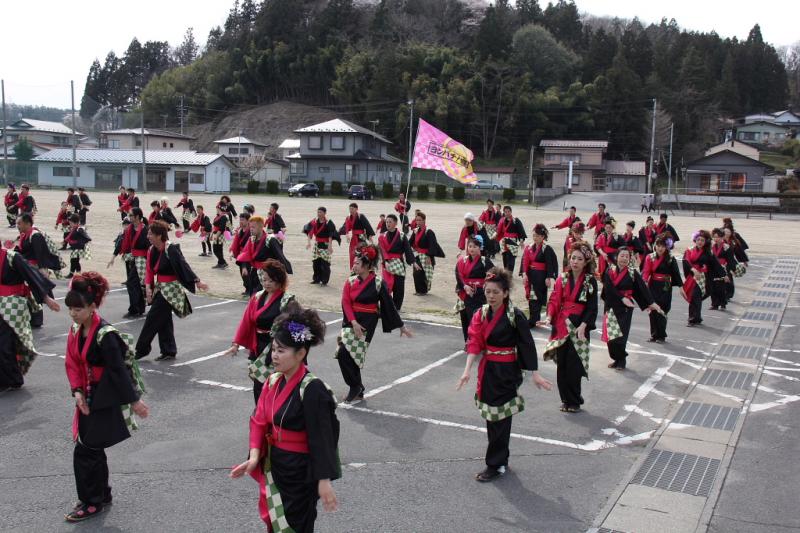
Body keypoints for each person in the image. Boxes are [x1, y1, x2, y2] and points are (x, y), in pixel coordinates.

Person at [230, 306, 339, 533]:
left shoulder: (313, 389)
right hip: (276, 464)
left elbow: (322, 438)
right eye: (273, 349)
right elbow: (259, 421)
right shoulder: (273, 381)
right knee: (274, 523)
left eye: (281, 351)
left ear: (301, 354)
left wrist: (323, 479)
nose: (274, 355)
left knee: (294, 525)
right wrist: (254, 457)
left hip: (300, 471)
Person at [63, 272, 148, 522]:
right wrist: (77, 391)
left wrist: (134, 400)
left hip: (105, 396)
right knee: (93, 447)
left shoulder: (105, 334)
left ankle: (92, 502)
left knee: (86, 450)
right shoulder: (76, 329)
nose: (73, 314)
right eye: (70, 309)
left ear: (92, 307)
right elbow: (72, 362)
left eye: (78, 309)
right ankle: (101, 493)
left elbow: (118, 371)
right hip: (88, 394)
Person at [457, 267, 552, 482]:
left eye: (496, 292)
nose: (491, 296)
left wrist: (535, 373)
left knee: (501, 418)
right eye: (487, 291)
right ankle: (501, 458)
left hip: (507, 371)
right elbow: (474, 342)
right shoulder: (481, 313)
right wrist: (466, 370)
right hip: (488, 370)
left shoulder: (514, 315)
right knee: (492, 416)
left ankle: (495, 464)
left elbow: (526, 344)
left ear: (506, 293)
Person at [335, 244, 412, 402]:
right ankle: (357, 387)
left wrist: (401, 326)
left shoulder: (378, 283)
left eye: (357, 263)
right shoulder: (350, 281)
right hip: (351, 320)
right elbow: (346, 302)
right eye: (354, 263)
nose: (354, 266)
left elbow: (389, 305)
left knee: (347, 353)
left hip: (367, 322)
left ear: (367, 265)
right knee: (345, 353)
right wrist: (353, 322)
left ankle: (355, 387)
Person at [135, 221, 208, 361]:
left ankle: (142, 349)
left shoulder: (171, 249)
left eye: (150, 234)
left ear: (159, 235)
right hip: (160, 288)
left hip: (172, 289)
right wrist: (148, 288)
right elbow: (149, 271)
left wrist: (197, 281)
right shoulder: (151, 250)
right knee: (164, 319)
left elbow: (183, 265)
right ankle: (169, 350)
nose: (148, 236)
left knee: (152, 318)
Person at [224, 259, 296, 403]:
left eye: (271, 280)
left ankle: (274, 412)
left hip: (276, 347)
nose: (266, 283)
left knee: (274, 383)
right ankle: (261, 412)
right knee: (258, 384)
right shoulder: (257, 297)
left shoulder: (286, 300)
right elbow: (246, 321)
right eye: (264, 280)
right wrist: (236, 344)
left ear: (279, 280)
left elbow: (294, 326)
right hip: (258, 345)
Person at [541, 242, 598, 413]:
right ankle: (565, 399)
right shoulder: (563, 278)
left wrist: (584, 325)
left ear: (586, 262)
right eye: (573, 258)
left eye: (579, 259)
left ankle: (574, 401)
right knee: (562, 365)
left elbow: (592, 307)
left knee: (574, 365)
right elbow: (554, 300)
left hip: (579, 327)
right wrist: (549, 316)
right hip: (562, 326)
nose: (575, 262)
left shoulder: (589, 281)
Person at [0, 246, 59, 392]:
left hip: (12, 305)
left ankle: (11, 379)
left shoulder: (12, 257)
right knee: (5, 344)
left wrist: (46, 298)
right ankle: (10, 377)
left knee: (4, 344)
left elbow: (31, 276)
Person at [601, 248, 659, 370]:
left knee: (621, 336)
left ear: (629, 259)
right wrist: (622, 298)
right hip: (611, 306)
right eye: (622, 256)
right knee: (611, 338)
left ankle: (621, 361)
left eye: (627, 256)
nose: (624, 258)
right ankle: (617, 358)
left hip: (625, 308)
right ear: (616, 257)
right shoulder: (609, 270)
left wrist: (651, 302)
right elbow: (609, 289)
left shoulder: (632, 272)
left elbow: (642, 288)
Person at [15, 213, 63, 327]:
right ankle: (31, 318)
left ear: (27, 223)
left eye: (19, 223)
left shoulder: (35, 236)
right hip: (28, 268)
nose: (18, 226)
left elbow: (41, 254)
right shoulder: (25, 235)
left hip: (35, 269)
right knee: (29, 294)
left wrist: (42, 271)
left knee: (34, 293)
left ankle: (36, 320)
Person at [642, 234, 684, 343]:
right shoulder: (650, 257)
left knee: (662, 309)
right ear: (655, 246)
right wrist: (644, 282)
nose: (660, 248)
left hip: (665, 285)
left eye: (663, 246)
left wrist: (681, 287)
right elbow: (646, 271)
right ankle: (654, 335)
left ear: (666, 247)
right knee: (653, 309)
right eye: (658, 245)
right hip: (653, 285)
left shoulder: (670, 258)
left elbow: (676, 274)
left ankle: (661, 335)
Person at [237, 216, 293, 295]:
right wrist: (244, 267)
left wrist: (284, 269)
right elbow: (246, 254)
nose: (251, 229)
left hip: (267, 273)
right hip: (254, 272)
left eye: (253, 227)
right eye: (250, 227)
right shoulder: (251, 239)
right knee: (253, 295)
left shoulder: (270, 239)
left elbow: (279, 254)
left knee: (262, 296)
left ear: (261, 227)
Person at [109, 208, 149, 318]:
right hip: (132, 258)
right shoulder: (129, 230)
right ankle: (139, 308)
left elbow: (150, 247)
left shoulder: (145, 230)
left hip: (142, 260)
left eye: (131, 215)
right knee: (136, 284)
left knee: (131, 283)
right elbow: (121, 243)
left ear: (137, 217)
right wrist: (113, 256)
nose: (129, 217)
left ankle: (134, 309)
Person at [681, 230, 725, 327]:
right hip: (692, 276)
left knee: (697, 297)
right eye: (698, 240)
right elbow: (686, 261)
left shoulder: (708, 252)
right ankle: (694, 318)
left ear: (706, 242)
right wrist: (692, 270)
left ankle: (695, 318)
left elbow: (716, 264)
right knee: (695, 297)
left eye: (702, 240)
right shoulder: (689, 250)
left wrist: (724, 275)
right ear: (695, 240)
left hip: (704, 278)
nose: (700, 242)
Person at [455, 236, 494, 341]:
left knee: (476, 319)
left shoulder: (485, 261)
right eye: (470, 246)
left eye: (475, 246)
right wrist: (465, 286)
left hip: (479, 294)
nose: (471, 249)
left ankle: (477, 342)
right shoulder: (462, 260)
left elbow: (493, 274)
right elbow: (458, 274)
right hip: (464, 293)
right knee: (465, 319)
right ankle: (467, 342)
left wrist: (485, 285)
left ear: (480, 248)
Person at [520, 224, 559, 327]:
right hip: (531, 275)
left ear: (543, 237)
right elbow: (525, 261)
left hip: (540, 277)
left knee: (536, 298)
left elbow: (550, 263)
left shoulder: (546, 248)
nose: (535, 238)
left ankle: (533, 320)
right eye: (534, 235)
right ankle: (534, 319)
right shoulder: (529, 247)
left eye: (537, 236)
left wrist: (549, 277)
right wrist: (524, 273)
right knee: (531, 297)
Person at [378, 214, 414, 310]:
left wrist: (413, 262)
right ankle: (386, 307)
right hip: (387, 264)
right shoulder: (382, 236)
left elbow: (408, 249)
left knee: (399, 287)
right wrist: (385, 261)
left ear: (396, 223)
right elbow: (381, 250)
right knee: (386, 286)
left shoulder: (402, 235)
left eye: (390, 222)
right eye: (387, 222)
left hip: (399, 264)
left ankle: (396, 307)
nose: (388, 224)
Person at [410, 211, 445, 295]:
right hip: (418, 255)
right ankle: (418, 290)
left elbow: (432, 245)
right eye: (417, 220)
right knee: (416, 273)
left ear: (424, 220)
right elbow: (410, 242)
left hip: (427, 255)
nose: (418, 222)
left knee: (423, 274)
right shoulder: (415, 231)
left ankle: (423, 291)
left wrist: (429, 256)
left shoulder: (429, 232)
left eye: (420, 220)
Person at [304, 207, 340, 286]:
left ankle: (324, 280)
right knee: (315, 262)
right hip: (317, 244)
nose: (319, 214)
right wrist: (309, 243)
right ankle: (316, 279)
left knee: (325, 263)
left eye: (320, 212)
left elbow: (331, 235)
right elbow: (309, 232)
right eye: (318, 212)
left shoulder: (328, 222)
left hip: (325, 244)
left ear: (324, 213)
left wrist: (330, 246)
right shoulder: (314, 221)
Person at [340, 203, 375, 269]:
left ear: (356, 209)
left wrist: (370, 236)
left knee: (363, 252)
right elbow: (346, 227)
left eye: (352, 209)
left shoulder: (360, 216)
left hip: (361, 237)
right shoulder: (348, 218)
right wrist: (345, 233)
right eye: (350, 209)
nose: (351, 210)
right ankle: (354, 268)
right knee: (352, 253)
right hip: (354, 238)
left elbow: (367, 225)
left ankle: (364, 268)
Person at [710, 228, 737, 310]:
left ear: (722, 237)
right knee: (713, 287)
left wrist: (732, 270)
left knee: (722, 287)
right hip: (713, 268)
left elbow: (731, 260)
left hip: (724, 268)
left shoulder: (726, 247)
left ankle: (723, 304)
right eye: (714, 237)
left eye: (718, 237)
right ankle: (714, 304)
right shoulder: (711, 246)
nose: (716, 239)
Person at [495, 206, 526, 272]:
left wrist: (521, 241)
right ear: (504, 212)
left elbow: (521, 231)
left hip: (512, 241)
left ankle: (510, 272)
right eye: (505, 212)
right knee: (505, 256)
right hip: (504, 241)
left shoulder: (515, 220)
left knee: (511, 257)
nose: (507, 213)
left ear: (511, 212)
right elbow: (498, 230)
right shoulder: (502, 220)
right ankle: (506, 272)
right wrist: (495, 236)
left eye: (508, 211)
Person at [230, 213, 253, 295]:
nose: (241, 221)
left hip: (248, 254)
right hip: (241, 254)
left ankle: (250, 289)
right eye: (240, 220)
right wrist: (233, 252)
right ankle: (247, 288)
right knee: (242, 273)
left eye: (243, 220)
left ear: (248, 221)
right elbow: (236, 242)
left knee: (246, 272)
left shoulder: (251, 231)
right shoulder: (240, 230)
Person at [64, 214, 92, 278]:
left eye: (71, 223)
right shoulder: (75, 228)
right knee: (74, 260)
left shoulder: (79, 229)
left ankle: (75, 274)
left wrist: (87, 240)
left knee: (75, 260)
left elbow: (86, 236)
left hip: (79, 248)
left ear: (75, 222)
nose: (70, 224)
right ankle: (74, 274)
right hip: (75, 247)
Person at [211, 204, 231, 269]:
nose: (216, 210)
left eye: (217, 208)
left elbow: (221, 228)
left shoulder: (223, 217)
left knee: (216, 250)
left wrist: (216, 235)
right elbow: (214, 227)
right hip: (216, 234)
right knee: (218, 250)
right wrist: (212, 234)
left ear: (219, 209)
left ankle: (223, 263)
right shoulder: (218, 216)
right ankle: (220, 263)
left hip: (220, 235)